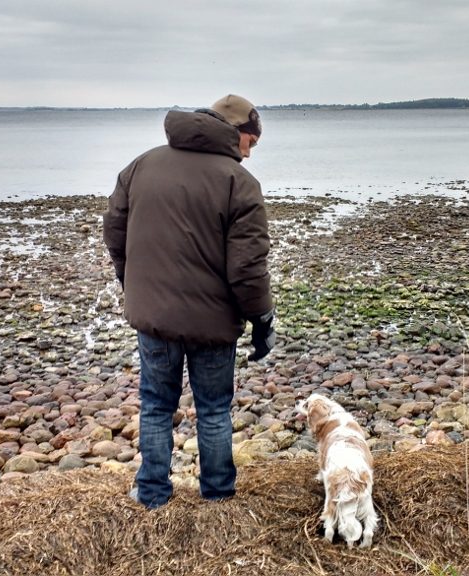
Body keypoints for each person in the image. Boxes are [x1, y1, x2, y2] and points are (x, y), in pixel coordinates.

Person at [103, 94, 276, 509]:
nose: (249, 154)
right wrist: (262, 318)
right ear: (235, 134)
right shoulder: (239, 183)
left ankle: (152, 495)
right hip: (213, 323)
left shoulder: (141, 165)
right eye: (251, 143)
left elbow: (115, 232)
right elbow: (247, 269)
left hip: (154, 318)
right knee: (214, 409)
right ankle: (217, 495)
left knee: (156, 405)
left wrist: (132, 282)